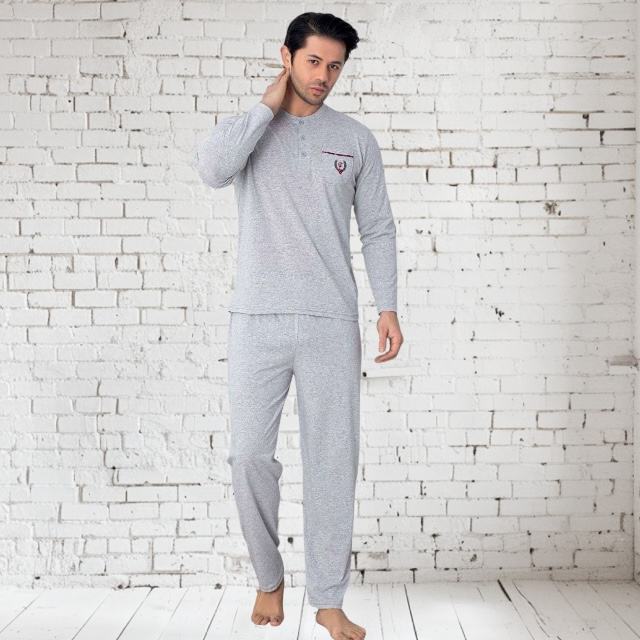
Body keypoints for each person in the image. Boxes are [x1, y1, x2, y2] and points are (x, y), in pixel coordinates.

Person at [195, 12, 403, 640]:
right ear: (286, 57)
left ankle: (329, 599)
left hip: (330, 322)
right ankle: (269, 576)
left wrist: (387, 306)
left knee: (332, 461)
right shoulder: (249, 131)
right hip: (255, 321)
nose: (324, 76)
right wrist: (265, 106)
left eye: (335, 66)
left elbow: (378, 227)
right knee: (248, 457)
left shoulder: (355, 139)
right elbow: (212, 170)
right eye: (313, 62)